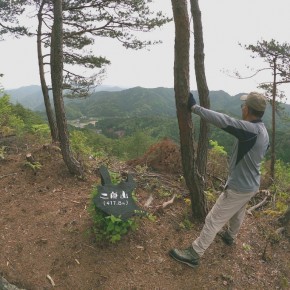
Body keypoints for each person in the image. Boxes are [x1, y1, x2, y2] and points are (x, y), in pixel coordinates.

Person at [169, 91, 269, 268]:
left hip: (239, 186)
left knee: (213, 219)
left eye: (243, 105)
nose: (242, 107)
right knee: (238, 211)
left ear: (248, 109)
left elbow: (225, 121)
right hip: (252, 184)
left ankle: (194, 254)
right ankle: (230, 236)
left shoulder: (250, 130)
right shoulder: (262, 130)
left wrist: (195, 108)